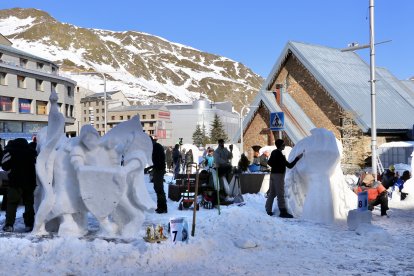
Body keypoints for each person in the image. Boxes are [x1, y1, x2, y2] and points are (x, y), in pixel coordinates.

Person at [1, 138, 37, 232]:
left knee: (12, 203)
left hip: (15, 182)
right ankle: (29, 225)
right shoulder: (31, 151)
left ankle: (9, 225)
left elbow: (4, 166)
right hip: (30, 182)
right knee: (29, 203)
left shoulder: (10, 151)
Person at [265, 139, 303, 218]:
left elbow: (269, 162)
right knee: (280, 194)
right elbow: (289, 166)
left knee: (272, 193)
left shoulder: (274, 152)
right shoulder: (279, 155)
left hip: (273, 174)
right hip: (278, 176)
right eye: (283, 144)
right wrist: (297, 158)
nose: (284, 146)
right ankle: (283, 212)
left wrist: (276, 164)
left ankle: (268, 210)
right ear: (280, 146)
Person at [150, 136, 167, 214]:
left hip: (159, 169)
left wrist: (152, 167)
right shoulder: (155, 146)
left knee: (159, 189)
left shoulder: (156, 147)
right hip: (158, 169)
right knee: (157, 188)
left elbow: (158, 161)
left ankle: (162, 207)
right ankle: (160, 206)